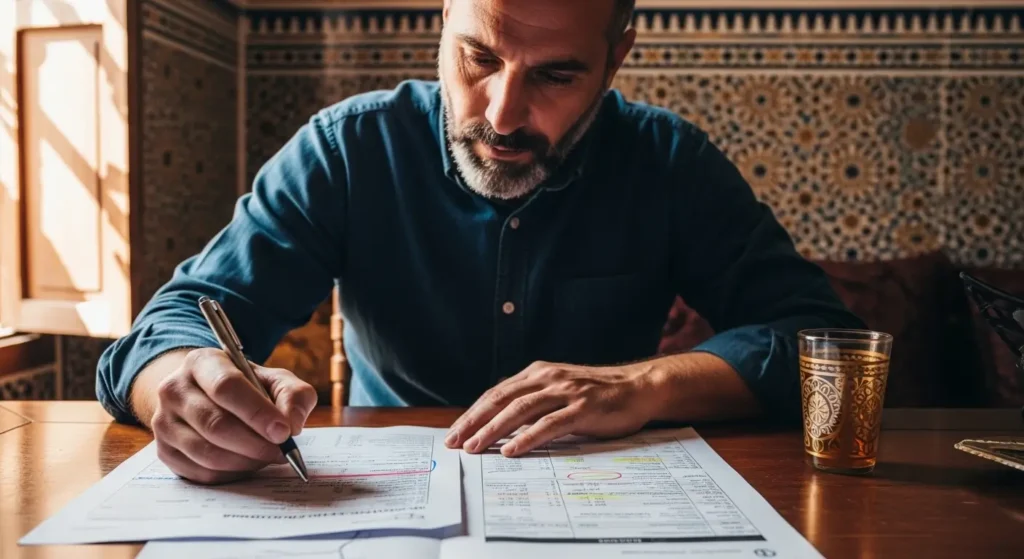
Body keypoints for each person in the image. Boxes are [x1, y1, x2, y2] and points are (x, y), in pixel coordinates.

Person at [96, 0, 863, 484]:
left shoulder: (669, 163)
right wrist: (183, 378)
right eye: (480, 58)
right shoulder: (348, 150)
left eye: (557, 75)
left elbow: (826, 345)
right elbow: (161, 333)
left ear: (618, 56)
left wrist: (644, 386)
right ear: (442, 18)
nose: (501, 114)